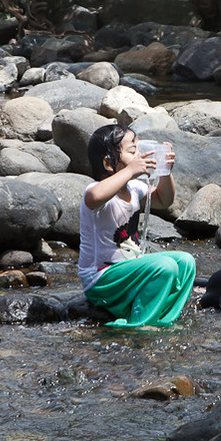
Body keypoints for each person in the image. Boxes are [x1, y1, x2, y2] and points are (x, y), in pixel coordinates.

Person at [78, 124, 195, 327]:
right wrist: (131, 171)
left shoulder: (134, 188)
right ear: (108, 163)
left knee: (186, 261)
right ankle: (138, 326)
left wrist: (165, 170)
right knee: (164, 267)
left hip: (130, 273)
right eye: (133, 151)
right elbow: (95, 196)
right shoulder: (95, 191)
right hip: (102, 280)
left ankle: (162, 318)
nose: (140, 156)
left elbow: (164, 200)